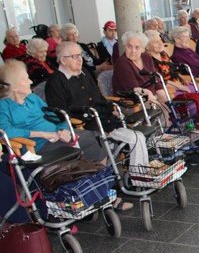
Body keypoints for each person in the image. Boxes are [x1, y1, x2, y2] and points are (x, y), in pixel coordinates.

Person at [46, 41, 149, 169]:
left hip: (103, 119)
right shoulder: (56, 81)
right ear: (63, 60)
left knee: (138, 137)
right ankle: (134, 175)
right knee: (135, 138)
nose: (80, 60)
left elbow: (99, 97)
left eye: (80, 55)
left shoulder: (84, 72)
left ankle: (139, 172)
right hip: (87, 125)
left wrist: (111, 108)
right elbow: (61, 112)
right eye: (74, 56)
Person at [0, 59, 105, 162]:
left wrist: (64, 129)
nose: (31, 81)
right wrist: (42, 134)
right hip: (38, 146)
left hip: (57, 136)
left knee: (97, 137)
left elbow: (53, 115)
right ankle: (98, 174)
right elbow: (6, 131)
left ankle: (101, 174)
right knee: (92, 141)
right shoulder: (3, 107)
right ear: (14, 87)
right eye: (26, 79)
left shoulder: (33, 98)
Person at [111, 31, 167, 109]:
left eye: (137, 47)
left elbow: (154, 77)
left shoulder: (146, 57)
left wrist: (161, 91)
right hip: (132, 103)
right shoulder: (122, 63)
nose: (133, 51)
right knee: (164, 112)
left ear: (143, 49)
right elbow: (133, 88)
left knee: (172, 106)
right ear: (125, 46)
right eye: (129, 46)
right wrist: (150, 95)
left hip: (151, 98)